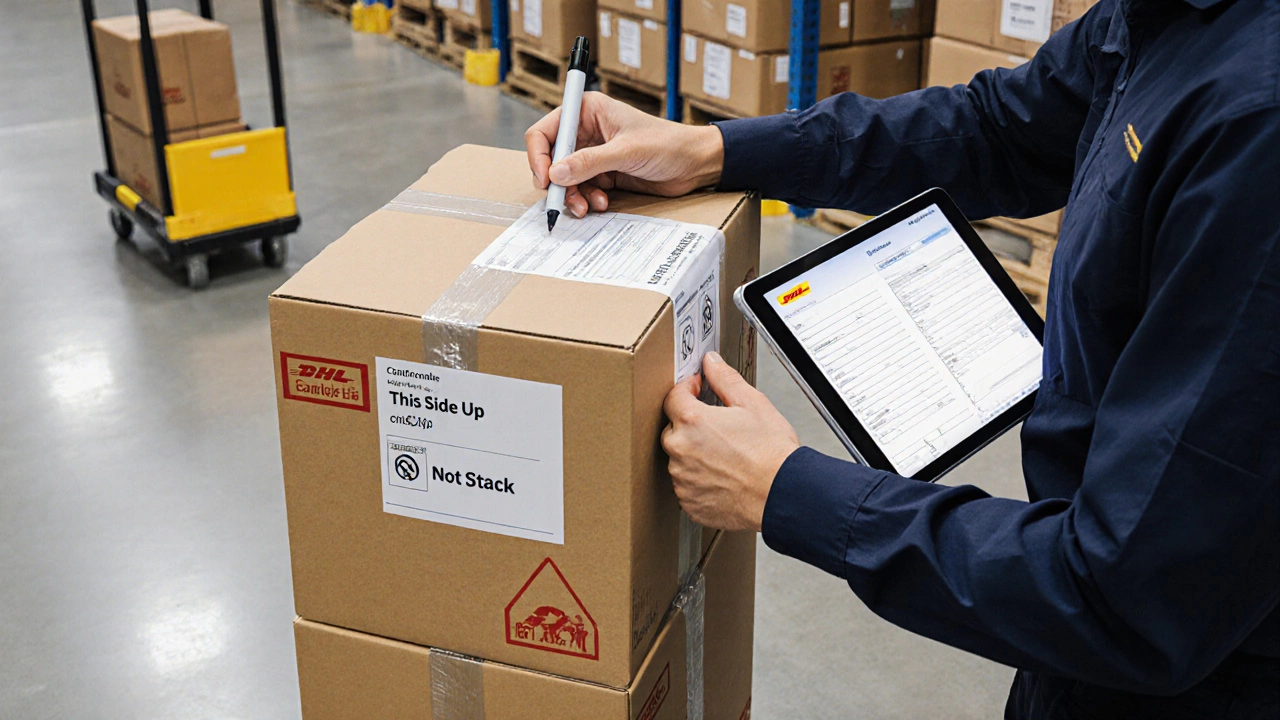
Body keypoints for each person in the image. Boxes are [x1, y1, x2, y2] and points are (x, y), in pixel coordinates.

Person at [524, 0, 1279, 716]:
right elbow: (999, 128)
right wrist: (715, 150)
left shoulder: (1256, 131)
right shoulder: (1166, 17)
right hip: (1078, 643)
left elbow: (1127, 599)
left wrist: (787, 490)